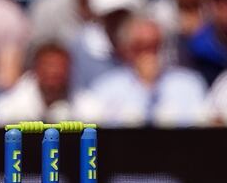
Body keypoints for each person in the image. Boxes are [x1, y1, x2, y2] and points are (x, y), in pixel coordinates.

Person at [76, 14, 208, 125]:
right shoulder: (105, 88)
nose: (148, 55)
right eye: (140, 47)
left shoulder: (189, 84)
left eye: (154, 46)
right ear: (126, 50)